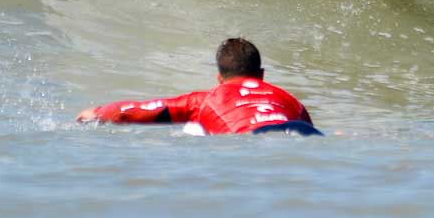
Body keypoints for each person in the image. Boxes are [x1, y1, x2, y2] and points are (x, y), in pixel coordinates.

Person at [76, 37, 320, 136]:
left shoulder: (205, 99)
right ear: (262, 75)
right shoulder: (289, 100)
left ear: (219, 78)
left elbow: (132, 110)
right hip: (299, 131)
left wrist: (97, 112)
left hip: (250, 140)